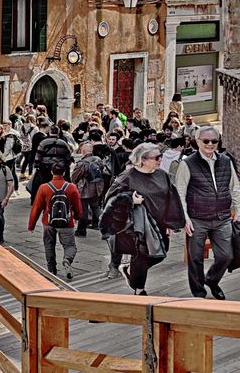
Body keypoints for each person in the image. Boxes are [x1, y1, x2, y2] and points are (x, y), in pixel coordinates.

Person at [102, 143, 185, 293]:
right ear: (143, 159)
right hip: (138, 225)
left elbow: (171, 197)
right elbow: (110, 200)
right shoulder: (127, 177)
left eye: (160, 156)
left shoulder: (162, 175)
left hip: (158, 222)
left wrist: (171, 223)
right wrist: (130, 201)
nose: (160, 159)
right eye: (156, 157)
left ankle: (129, 269)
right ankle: (139, 290)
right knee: (142, 254)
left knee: (160, 253)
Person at [176, 127, 240, 299]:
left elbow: (234, 187)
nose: (210, 144)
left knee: (227, 256)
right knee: (195, 258)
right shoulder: (187, 163)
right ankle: (199, 294)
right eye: (206, 141)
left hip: (222, 217)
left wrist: (238, 210)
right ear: (197, 142)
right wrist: (185, 218)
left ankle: (211, 280)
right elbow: (180, 192)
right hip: (197, 219)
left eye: (214, 141)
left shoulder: (226, 161)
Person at [28, 163, 83, 279]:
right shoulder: (71, 187)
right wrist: (77, 217)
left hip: (48, 222)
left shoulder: (44, 187)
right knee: (70, 246)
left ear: (52, 172)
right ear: (64, 173)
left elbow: (36, 207)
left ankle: (51, 269)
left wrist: (31, 225)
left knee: (49, 245)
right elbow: (78, 206)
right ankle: (67, 260)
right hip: (66, 222)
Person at [70, 142, 106, 238]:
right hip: (97, 188)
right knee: (96, 208)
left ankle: (81, 231)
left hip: (85, 190)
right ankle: (104, 225)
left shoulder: (82, 163)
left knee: (83, 210)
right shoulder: (98, 160)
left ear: (83, 151)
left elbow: (74, 178)